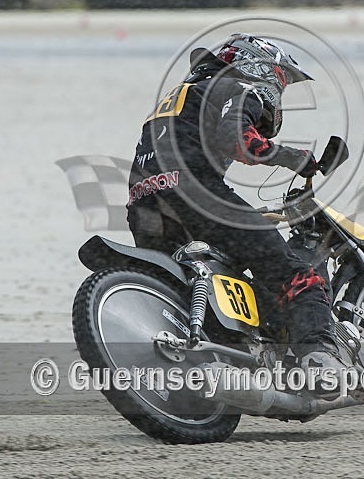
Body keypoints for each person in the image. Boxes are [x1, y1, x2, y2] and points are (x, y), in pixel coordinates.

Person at [126, 32, 347, 389]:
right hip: (197, 195)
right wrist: (295, 158)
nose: (279, 91)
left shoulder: (182, 96)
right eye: (281, 80)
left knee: (192, 287)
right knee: (297, 275)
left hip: (143, 204)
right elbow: (240, 142)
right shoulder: (240, 86)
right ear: (261, 67)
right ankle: (319, 359)